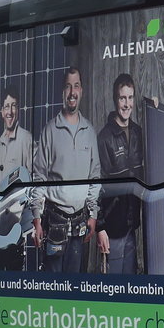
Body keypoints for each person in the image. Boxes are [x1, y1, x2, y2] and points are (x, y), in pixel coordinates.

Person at [31, 67, 101, 272]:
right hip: (54, 223)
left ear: (82, 91)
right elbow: (39, 177)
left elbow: (95, 177)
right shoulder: (50, 130)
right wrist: (37, 217)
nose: (72, 92)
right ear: (63, 92)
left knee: (75, 289)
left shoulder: (89, 132)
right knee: (54, 287)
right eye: (68, 86)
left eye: (76, 86)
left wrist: (93, 214)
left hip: (80, 224)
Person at [96, 73, 145, 274]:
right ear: (115, 100)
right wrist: (100, 227)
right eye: (122, 98)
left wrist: (157, 108)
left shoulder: (138, 133)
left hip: (131, 225)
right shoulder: (105, 137)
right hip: (112, 228)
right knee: (112, 290)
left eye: (130, 97)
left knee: (130, 288)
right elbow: (96, 184)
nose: (127, 104)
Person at [0, 85, 33, 270]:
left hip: (18, 222)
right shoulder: (0, 141)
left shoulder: (26, 139)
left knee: (15, 273)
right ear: (1, 111)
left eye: (13, 106)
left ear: (18, 109)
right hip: (1, 221)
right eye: (7, 106)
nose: (10, 111)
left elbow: (33, 179)